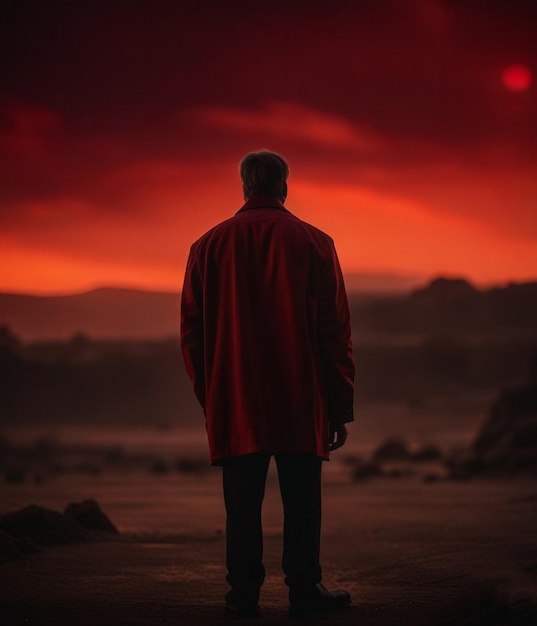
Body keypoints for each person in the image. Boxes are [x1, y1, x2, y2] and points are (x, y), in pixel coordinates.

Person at [180, 150, 355, 618]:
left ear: (244, 186)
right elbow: (334, 331)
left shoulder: (207, 246)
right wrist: (340, 405)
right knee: (302, 503)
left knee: (241, 504)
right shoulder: (316, 243)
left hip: (235, 400)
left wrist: (211, 395)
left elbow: (192, 334)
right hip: (301, 398)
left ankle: (244, 594)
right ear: (285, 185)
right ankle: (304, 589)